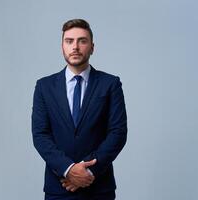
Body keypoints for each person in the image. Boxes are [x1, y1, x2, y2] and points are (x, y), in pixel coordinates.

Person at [31, 19, 127, 200]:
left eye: (82, 41)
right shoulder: (44, 87)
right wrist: (68, 170)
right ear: (62, 47)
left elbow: (118, 133)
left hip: (98, 188)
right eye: (69, 41)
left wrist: (88, 172)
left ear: (92, 47)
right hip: (59, 187)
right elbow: (40, 135)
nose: (75, 46)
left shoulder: (110, 84)